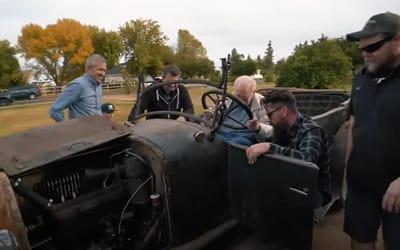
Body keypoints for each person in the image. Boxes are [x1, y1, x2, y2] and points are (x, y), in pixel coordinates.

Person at [344, 12, 400, 250]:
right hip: (361, 183)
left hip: (396, 189)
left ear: (397, 42)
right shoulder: (360, 79)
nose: (366, 52)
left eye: (374, 46)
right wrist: (348, 172)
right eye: (362, 47)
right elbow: (353, 125)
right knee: (359, 239)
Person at [245, 89, 331, 207]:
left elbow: (307, 161)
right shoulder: (282, 127)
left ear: (284, 111)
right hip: (289, 180)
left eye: (270, 114)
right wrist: (257, 129)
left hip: (311, 189)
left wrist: (270, 147)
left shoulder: (311, 130)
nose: (269, 120)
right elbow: (272, 142)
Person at [214, 75, 273, 146]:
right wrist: (210, 116)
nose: (240, 101)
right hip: (222, 132)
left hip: (244, 136)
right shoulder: (227, 100)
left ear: (253, 92)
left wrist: (258, 127)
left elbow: (271, 131)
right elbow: (216, 118)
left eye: (245, 99)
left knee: (234, 144)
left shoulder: (263, 104)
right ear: (234, 90)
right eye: (238, 96)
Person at [49, 54, 107, 122]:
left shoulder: (98, 85)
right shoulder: (78, 85)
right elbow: (55, 110)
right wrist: (66, 126)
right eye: (100, 70)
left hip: (99, 130)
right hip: (82, 131)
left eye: (104, 70)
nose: (103, 74)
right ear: (88, 68)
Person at [127, 65, 194, 123]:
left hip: (175, 128)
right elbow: (138, 108)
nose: (173, 85)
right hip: (155, 129)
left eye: (176, 82)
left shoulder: (182, 90)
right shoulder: (151, 90)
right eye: (170, 82)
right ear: (163, 78)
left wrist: (183, 117)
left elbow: (189, 108)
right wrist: (133, 121)